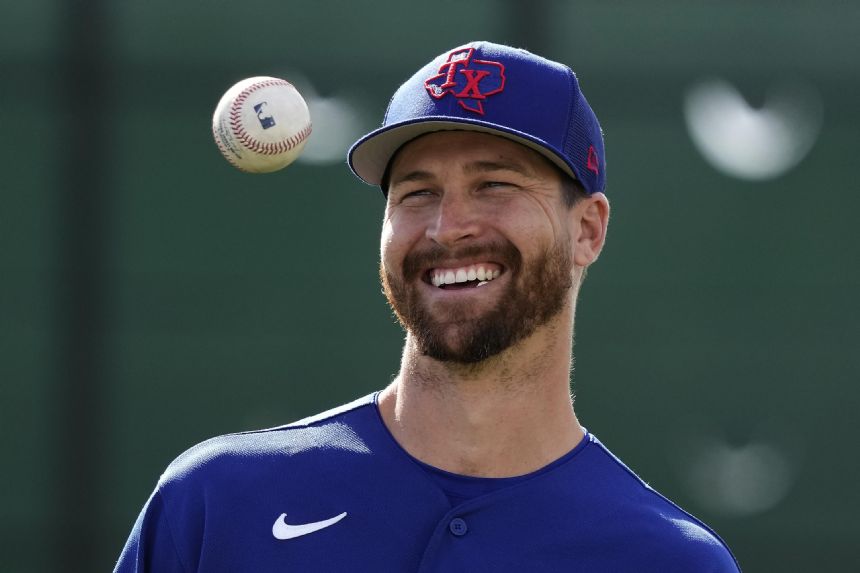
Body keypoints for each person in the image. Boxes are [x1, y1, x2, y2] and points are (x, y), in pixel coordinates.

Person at [115, 41, 741, 572]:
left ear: (588, 230)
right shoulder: (219, 501)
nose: (447, 227)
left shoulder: (664, 558)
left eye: (493, 184)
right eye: (417, 193)